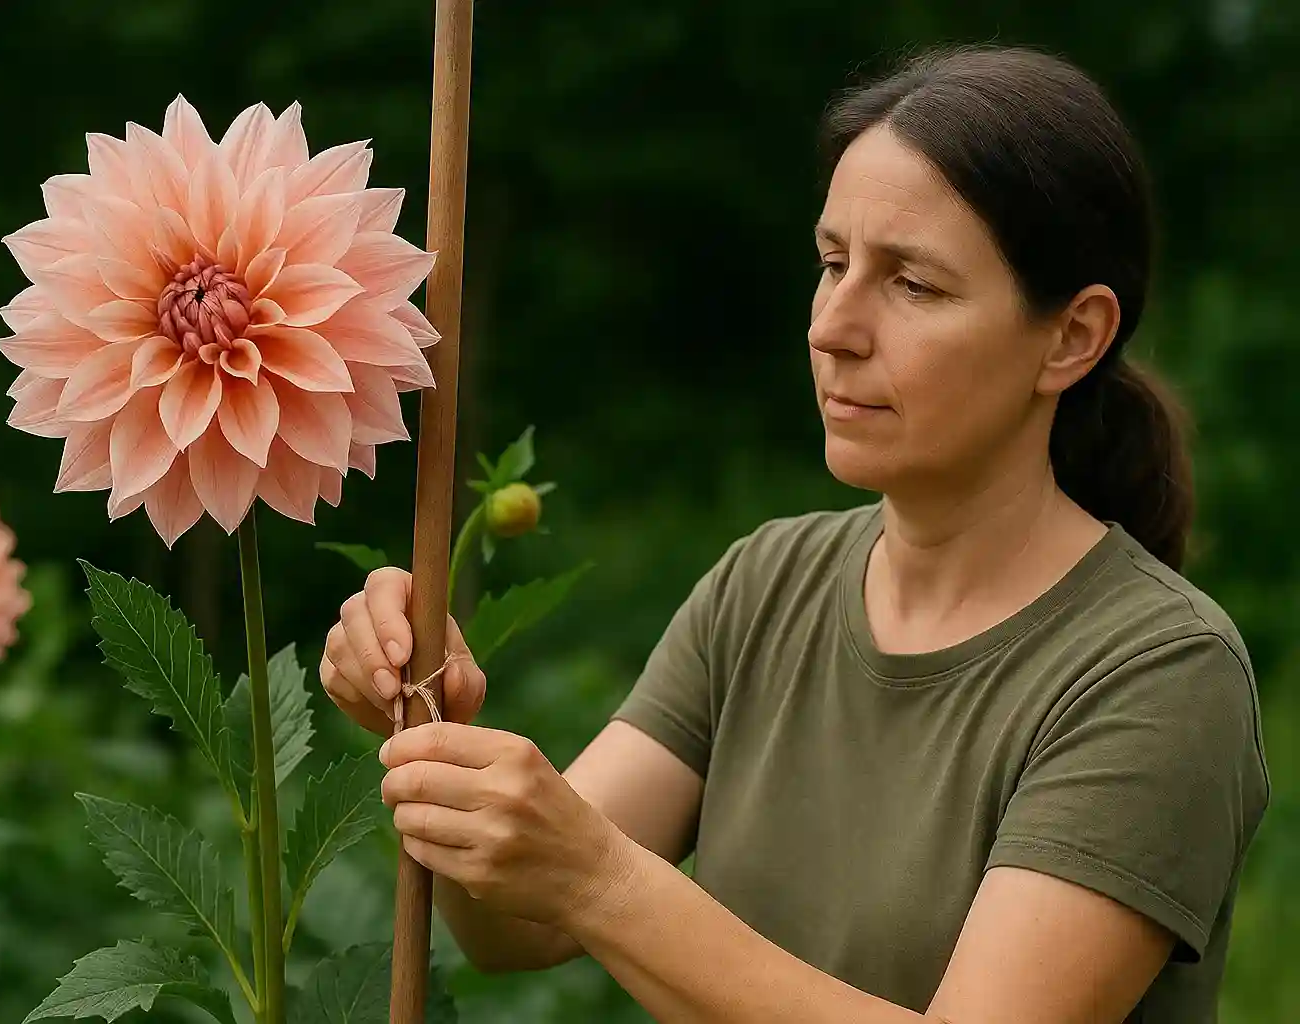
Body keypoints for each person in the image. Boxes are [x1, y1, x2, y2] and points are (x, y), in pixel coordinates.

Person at [318, 44, 1268, 1023]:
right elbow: (518, 927)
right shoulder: (767, 583)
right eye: (833, 263)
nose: (833, 327)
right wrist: (424, 722)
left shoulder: (1157, 671)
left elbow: (586, 880)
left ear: (1071, 336)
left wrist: (600, 875)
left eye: (914, 285)